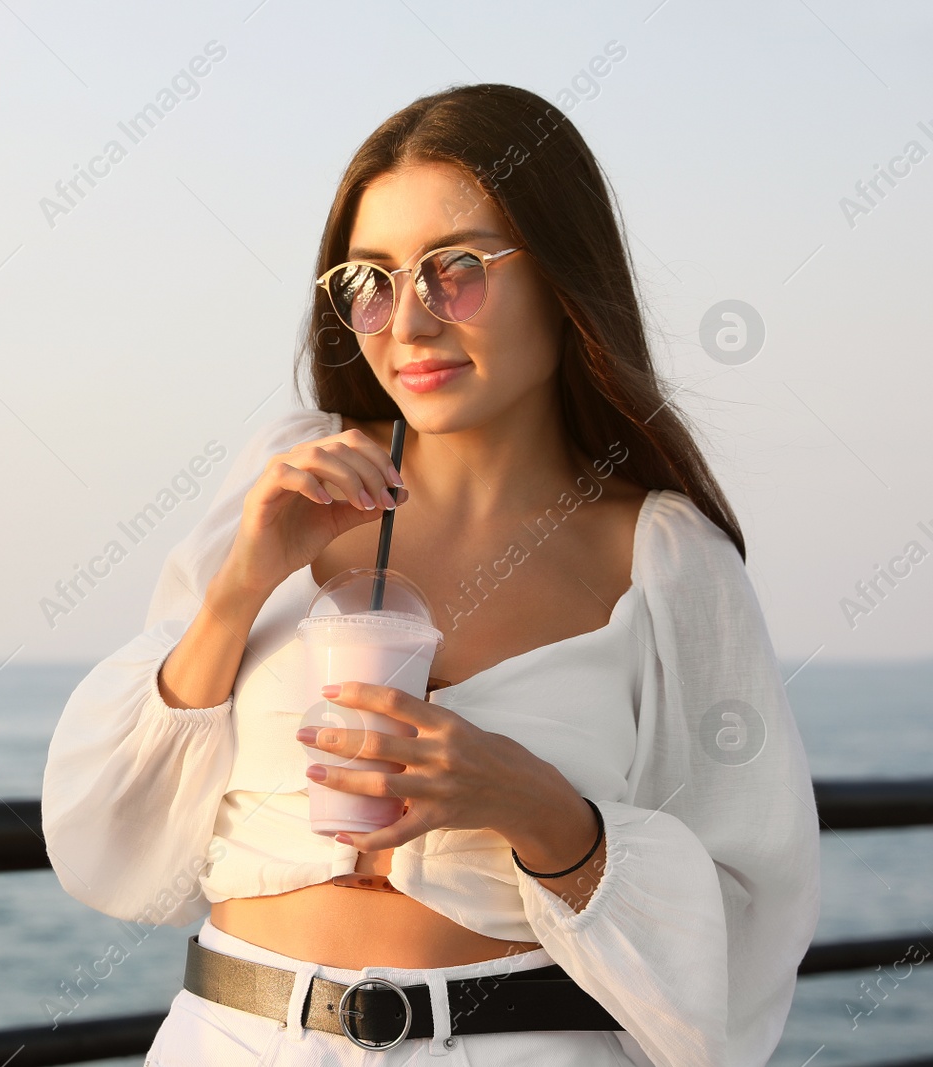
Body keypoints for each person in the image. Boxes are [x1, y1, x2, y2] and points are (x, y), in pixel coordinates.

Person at [41, 83, 821, 1066]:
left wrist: (538, 809)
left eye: (453, 270)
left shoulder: (666, 561)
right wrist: (240, 587)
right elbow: (106, 844)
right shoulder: (283, 476)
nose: (407, 323)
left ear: (561, 274)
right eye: (368, 279)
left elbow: (745, 951)